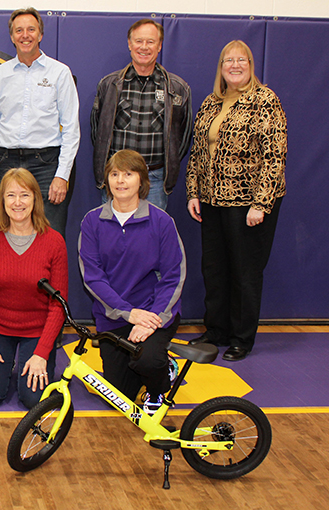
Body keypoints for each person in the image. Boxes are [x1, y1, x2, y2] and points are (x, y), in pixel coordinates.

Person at [186, 40, 287, 362]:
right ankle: (216, 330)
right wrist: (193, 192)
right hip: (212, 200)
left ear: (250, 64)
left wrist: (261, 203)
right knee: (214, 268)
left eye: (240, 60)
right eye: (228, 60)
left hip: (248, 202)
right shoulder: (211, 102)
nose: (234, 65)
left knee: (245, 271)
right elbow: (197, 152)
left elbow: (275, 156)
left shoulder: (265, 100)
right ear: (221, 67)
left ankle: (241, 338)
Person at [79, 150, 185, 415]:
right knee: (118, 397)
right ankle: (149, 366)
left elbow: (174, 276)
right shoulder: (92, 221)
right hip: (114, 317)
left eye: (128, 174)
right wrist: (128, 313)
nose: (121, 181)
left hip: (152, 315)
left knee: (146, 361)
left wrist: (152, 319)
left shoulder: (162, 222)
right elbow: (93, 278)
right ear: (107, 181)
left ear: (142, 181)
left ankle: (160, 379)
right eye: (114, 174)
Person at [0, 168, 67, 409]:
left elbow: (59, 305)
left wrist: (41, 353)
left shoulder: (54, 241)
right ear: (1, 201)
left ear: (35, 199)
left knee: (34, 400)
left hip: (37, 330)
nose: (17, 202)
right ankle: (5, 360)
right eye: (10, 195)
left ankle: (34, 359)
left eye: (24, 195)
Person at [0, 7, 80, 238]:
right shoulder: (0, 75)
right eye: (19, 30)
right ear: (12, 36)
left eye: (31, 29)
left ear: (40, 34)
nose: (25, 35)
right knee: (4, 234)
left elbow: (72, 130)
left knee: (51, 236)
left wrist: (62, 176)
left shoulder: (60, 73)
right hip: (4, 162)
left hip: (47, 165)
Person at [91, 18, 192, 211]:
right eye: (138, 41)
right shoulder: (109, 84)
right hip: (116, 177)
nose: (144, 47)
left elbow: (183, 137)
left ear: (160, 45)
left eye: (150, 42)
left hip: (155, 178)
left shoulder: (177, 88)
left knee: (151, 237)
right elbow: (98, 131)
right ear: (129, 44)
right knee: (112, 234)